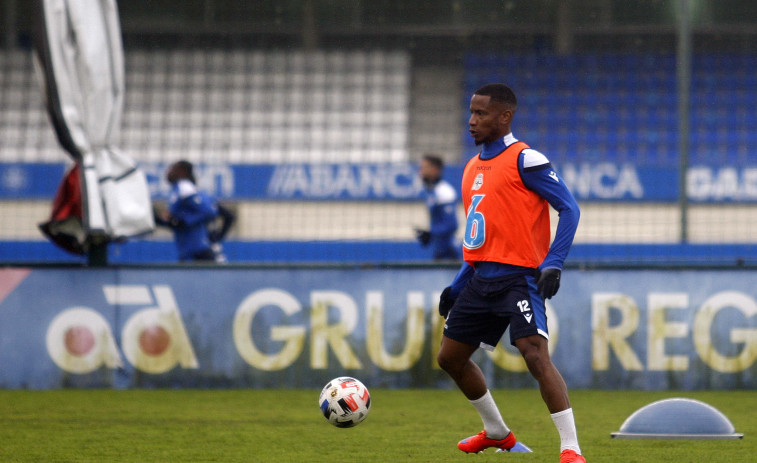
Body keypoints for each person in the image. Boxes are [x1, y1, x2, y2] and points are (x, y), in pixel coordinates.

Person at [436, 84, 585, 463]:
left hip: (519, 278)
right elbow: (477, 239)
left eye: (481, 114)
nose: (471, 121)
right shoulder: (471, 168)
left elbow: (569, 209)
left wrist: (554, 262)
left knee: (534, 355)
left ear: (504, 117)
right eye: (471, 113)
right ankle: (498, 433)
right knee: (450, 358)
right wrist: (456, 288)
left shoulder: (527, 159)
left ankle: (571, 449)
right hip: (480, 278)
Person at [154, 160, 235, 262]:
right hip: (188, 252)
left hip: (198, 252)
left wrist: (186, 221)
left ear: (182, 172)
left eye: (172, 169)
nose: (167, 172)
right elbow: (177, 223)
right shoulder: (182, 190)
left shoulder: (184, 188)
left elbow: (209, 211)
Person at [414, 154, 460, 260]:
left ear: (434, 169)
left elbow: (452, 225)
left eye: (424, 167)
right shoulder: (431, 191)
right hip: (439, 249)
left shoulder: (445, 192)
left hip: (450, 253)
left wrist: (431, 233)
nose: (421, 171)